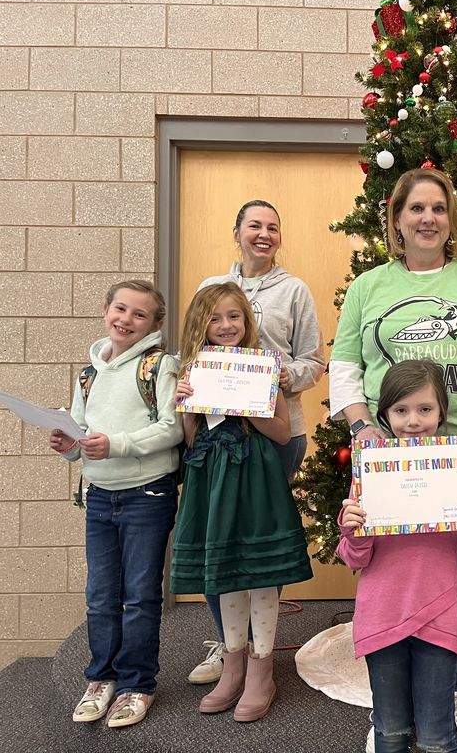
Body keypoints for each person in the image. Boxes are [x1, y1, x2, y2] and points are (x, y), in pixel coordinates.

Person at [330, 168, 457, 751]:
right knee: (387, 568)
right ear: (396, 219)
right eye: (415, 208)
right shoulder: (370, 287)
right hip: (387, 453)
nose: (427, 219)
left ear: (452, 219)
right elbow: (344, 367)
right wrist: (363, 426)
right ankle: (388, 706)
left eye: (438, 209)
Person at [189, 199, 325, 685]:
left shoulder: (294, 291)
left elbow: (314, 361)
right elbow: (193, 352)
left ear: (279, 237)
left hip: (276, 433)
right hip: (216, 434)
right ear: (237, 231)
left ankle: (258, 654)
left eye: (273, 227)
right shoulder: (209, 288)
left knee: (259, 541)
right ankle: (230, 648)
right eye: (254, 225)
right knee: (218, 539)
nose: (263, 234)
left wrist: (270, 377)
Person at [171, 282, 313, 722]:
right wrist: (186, 405)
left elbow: (283, 434)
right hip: (211, 477)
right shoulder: (194, 369)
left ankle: (261, 669)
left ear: (247, 322)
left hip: (255, 477)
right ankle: (232, 665)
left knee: (260, 573)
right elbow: (193, 439)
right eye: (214, 318)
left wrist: (248, 401)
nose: (225, 325)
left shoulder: (261, 365)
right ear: (201, 324)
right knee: (227, 572)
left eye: (234, 316)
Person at [338, 359, 457, 753]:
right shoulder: (371, 469)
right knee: (389, 732)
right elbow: (355, 559)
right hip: (382, 614)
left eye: (425, 409)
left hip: (440, 613)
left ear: (442, 412)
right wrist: (352, 529)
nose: (412, 421)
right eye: (401, 410)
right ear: (385, 414)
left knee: (437, 736)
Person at [50, 280, 183, 729]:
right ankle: (102, 678)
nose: (126, 320)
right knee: (100, 595)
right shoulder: (87, 375)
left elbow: (173, 429)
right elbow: (83, 435)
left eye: (139, 314)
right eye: (120, 309)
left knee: (141, 595)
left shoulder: (159, 367)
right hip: (99, 496)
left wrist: (119, 444)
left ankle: (136, 684)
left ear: (155, 325)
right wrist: (68, 446)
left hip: (147, 494)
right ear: (106, 310)